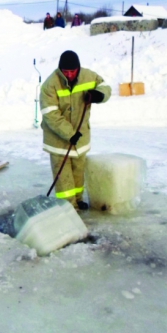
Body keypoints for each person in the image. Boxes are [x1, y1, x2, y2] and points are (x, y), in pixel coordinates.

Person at [40, 50, 111, 212]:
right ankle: (68, 207)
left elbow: (105, 86)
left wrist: (98, 95)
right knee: (64, 179)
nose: (70, 75)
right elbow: (51, 114)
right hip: (58, 140)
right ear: (60, 70)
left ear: (78, 68)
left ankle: (78, 200)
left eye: (73, 71)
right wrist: (70, 134)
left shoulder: (88, 76)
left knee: (78, 174)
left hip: (80, 139)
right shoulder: (49, 85)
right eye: (66, 72)